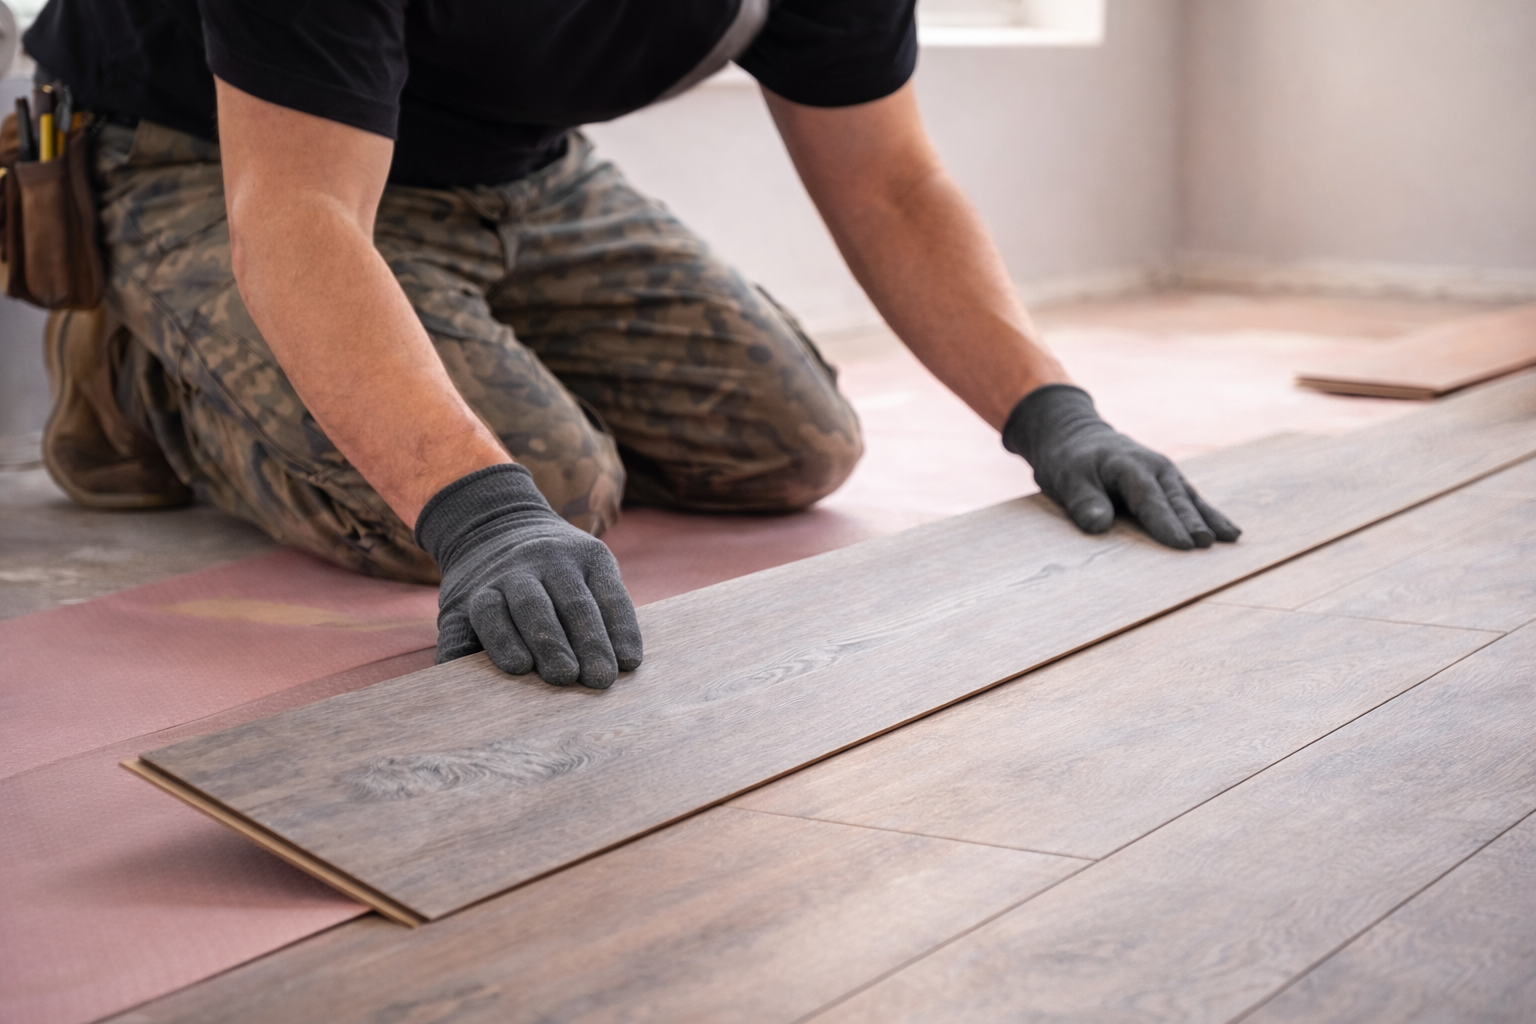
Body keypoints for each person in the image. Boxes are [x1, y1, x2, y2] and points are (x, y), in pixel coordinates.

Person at [26, 0, 1239, 690]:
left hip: (522, 167)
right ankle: (150, 378)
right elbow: (298, 214)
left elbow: (892, 184)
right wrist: (481, 512)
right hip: (212, 151)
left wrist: (1052, 412)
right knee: (543, 488)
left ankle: (437, 351)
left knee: (794, 446)